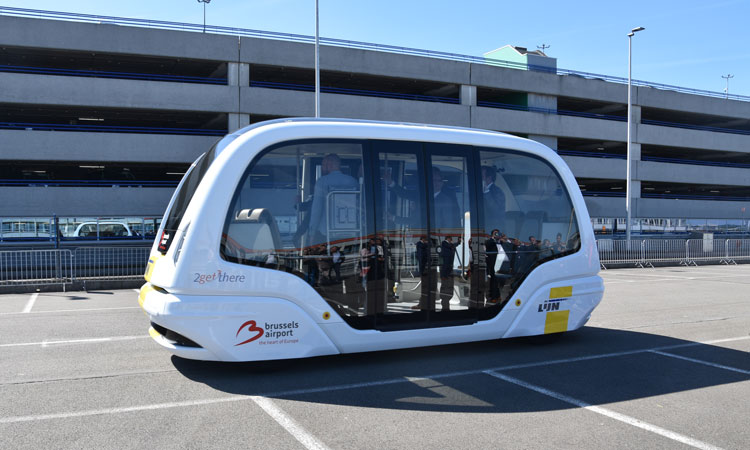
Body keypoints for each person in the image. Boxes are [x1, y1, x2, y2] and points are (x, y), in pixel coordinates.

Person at [308, 153, 358, 245]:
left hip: (326, 233)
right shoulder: (353, 181)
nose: (323, 167)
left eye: (323, 165)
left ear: (329, 165)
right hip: (350, 231)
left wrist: (312, 233)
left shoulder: (322, 182)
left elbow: (317, 209)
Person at [438, 235, 461, 311]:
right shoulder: (444, 244)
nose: (451, 240)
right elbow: (450, 246)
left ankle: (446, 307)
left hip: (449, 269)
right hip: (445, 270)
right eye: (451, 239)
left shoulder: (449, 245)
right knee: (445, 288)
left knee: (448, 289)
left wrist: (458, 242)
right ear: (448, 239)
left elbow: (452, 245)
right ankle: (445, 308)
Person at [412, 235, 434, 310]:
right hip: (423, 264)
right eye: (425, 239)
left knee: (426, 288)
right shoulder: (420, 244)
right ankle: (422, 304)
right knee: (424, 287)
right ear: (422, 239)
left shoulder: (425, 245)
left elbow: (430, 245)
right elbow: (421, 254)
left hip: (426, 265)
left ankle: (423, 303)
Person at [481, 165, 506, 231]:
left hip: (493, 228)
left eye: (482, 176)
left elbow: (496, 210)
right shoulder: (480, 190)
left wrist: (486, 193)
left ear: (489, 178)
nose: (480, 178)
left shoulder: (497, 191)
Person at [485, 229, 501, 302]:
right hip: (491, 264)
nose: (497, 234)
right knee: (493, 281)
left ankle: (497, 296)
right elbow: (488, 244)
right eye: (495, 233)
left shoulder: (499, 241)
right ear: (492, 234)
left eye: (497, 233)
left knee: (495, 280)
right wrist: (494, 238)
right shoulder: (490, 241)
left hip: (498, 264)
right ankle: (494, 296)